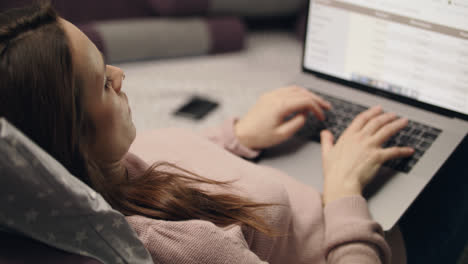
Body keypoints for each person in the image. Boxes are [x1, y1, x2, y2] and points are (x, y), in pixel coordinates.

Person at [0, 2, 416, 264]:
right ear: (69, 140)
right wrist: (344, 192)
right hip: (364, 235)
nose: (120, 75)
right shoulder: (184, 247)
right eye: (103, 84)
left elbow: (164, 163)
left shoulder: (91, 177)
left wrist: (238, 137)